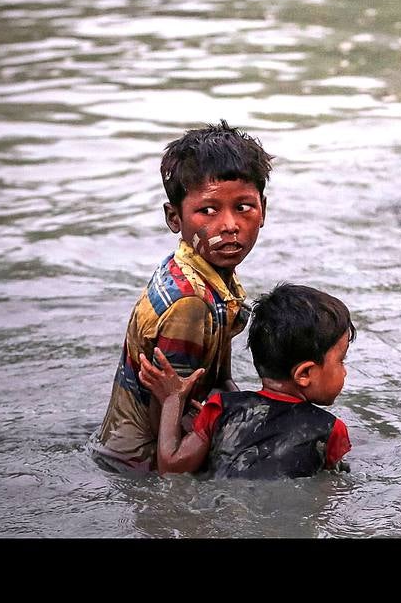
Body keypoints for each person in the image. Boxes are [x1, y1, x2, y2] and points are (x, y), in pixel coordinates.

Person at [90, 121, 272, 472]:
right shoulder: (189, 304)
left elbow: (217, 381)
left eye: (243, 207)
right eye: (208, 210)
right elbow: (167, 427)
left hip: (146, 447)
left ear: (263, 209)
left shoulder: (212, 279)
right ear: (175, 217)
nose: (230, 225)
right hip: (139, 464)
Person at [136, 283, 356, 479]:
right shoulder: (331, 430)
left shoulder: (220, 410)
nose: (345, 372)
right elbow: (329, 498)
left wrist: (173, 399)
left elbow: (172, 467)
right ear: (304, 374)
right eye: (341, 361)